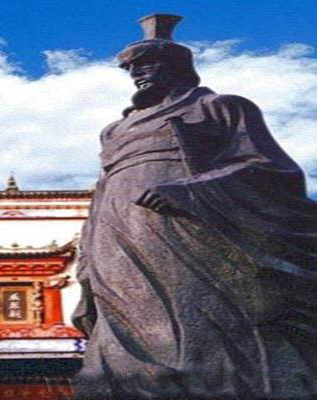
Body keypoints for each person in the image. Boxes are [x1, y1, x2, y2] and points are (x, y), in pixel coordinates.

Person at [72, 14, 317, 399]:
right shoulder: (114, 131)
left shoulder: (221, 107)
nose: (137, 73)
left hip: (189, 229)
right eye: (132, 67)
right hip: (117, 235)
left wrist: (191, 191)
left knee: (199, 321)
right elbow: (102, 191)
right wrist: (88, 251)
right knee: (122, 326)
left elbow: (272, 169)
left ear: (178, 66)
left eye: (147, 63)